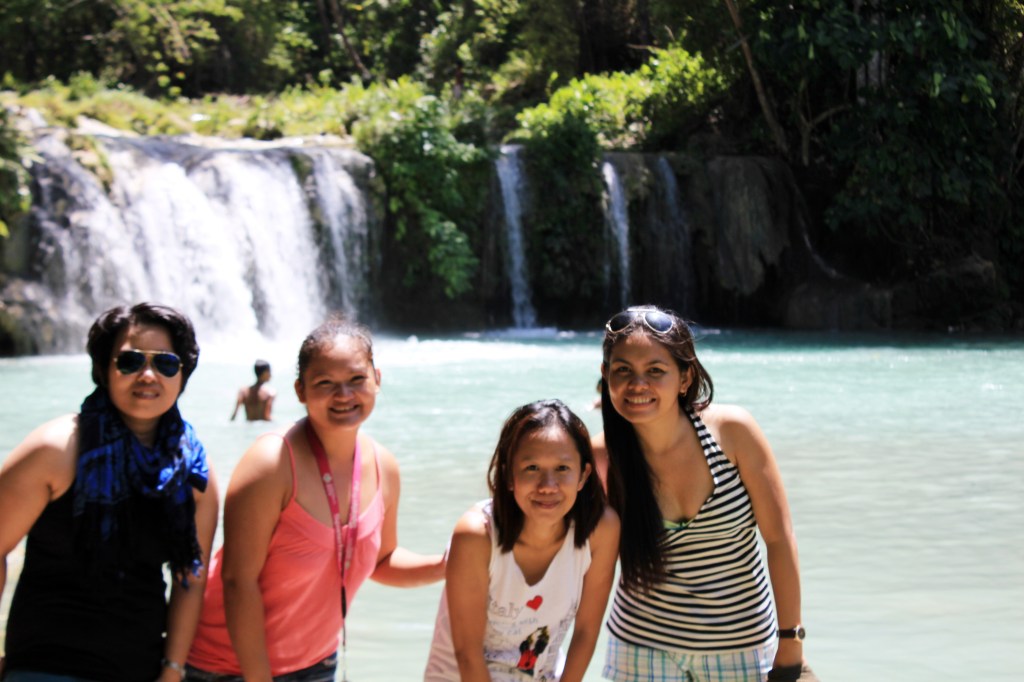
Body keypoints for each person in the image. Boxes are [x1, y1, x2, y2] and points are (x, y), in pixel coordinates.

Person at [187, 316, 445, 681]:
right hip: (227, 668)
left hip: (317, 664)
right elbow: (237, 581)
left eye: (357, 380)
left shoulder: (384, 466)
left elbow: (382, 560)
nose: (344, 395)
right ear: (300, 391)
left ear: (377, 379)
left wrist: (452, 563)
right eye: (326, 383)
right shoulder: (270, 464)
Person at [0, 302, 219, 682]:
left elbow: (190, 581)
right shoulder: (58, 449)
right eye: (130, 361)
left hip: (138, 669)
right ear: (104, 370)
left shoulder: (194, 473)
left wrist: (172, 670)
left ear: (183, 374)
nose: (148, 375)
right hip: (44, 667)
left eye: (165, 363)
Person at [598, 305, 806, 682]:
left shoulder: (732, 433)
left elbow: (779, 539)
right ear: (605, 376)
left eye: (655, 371)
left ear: (684, 377)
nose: (637, 384)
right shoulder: (602, 458)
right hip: (639, 648)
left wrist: (790, 639)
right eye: (623, 370)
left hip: (740, 647)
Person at [424, 399, 620, 682]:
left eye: (563, 468)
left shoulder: (600, 529)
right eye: (531, 468)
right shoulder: (477, 535)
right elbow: (468, 654)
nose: (547, 485)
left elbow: (586, 631)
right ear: (508, 474)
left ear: (584, 475)